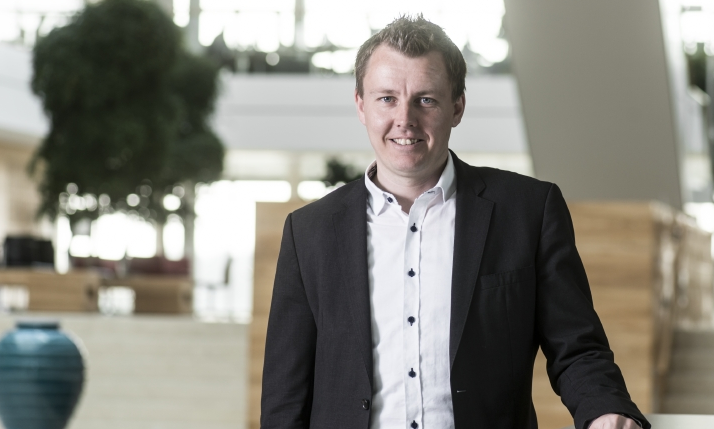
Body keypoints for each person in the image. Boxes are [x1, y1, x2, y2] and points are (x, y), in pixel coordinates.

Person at [261, 15, 649, 429]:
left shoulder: (527, 212)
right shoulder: (309, 233)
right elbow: (286, 398)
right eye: (387, 98)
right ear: (361, 105)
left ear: (457, 107)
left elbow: (578, 347)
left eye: (425, 99)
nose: (405, 119)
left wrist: (606, 410)